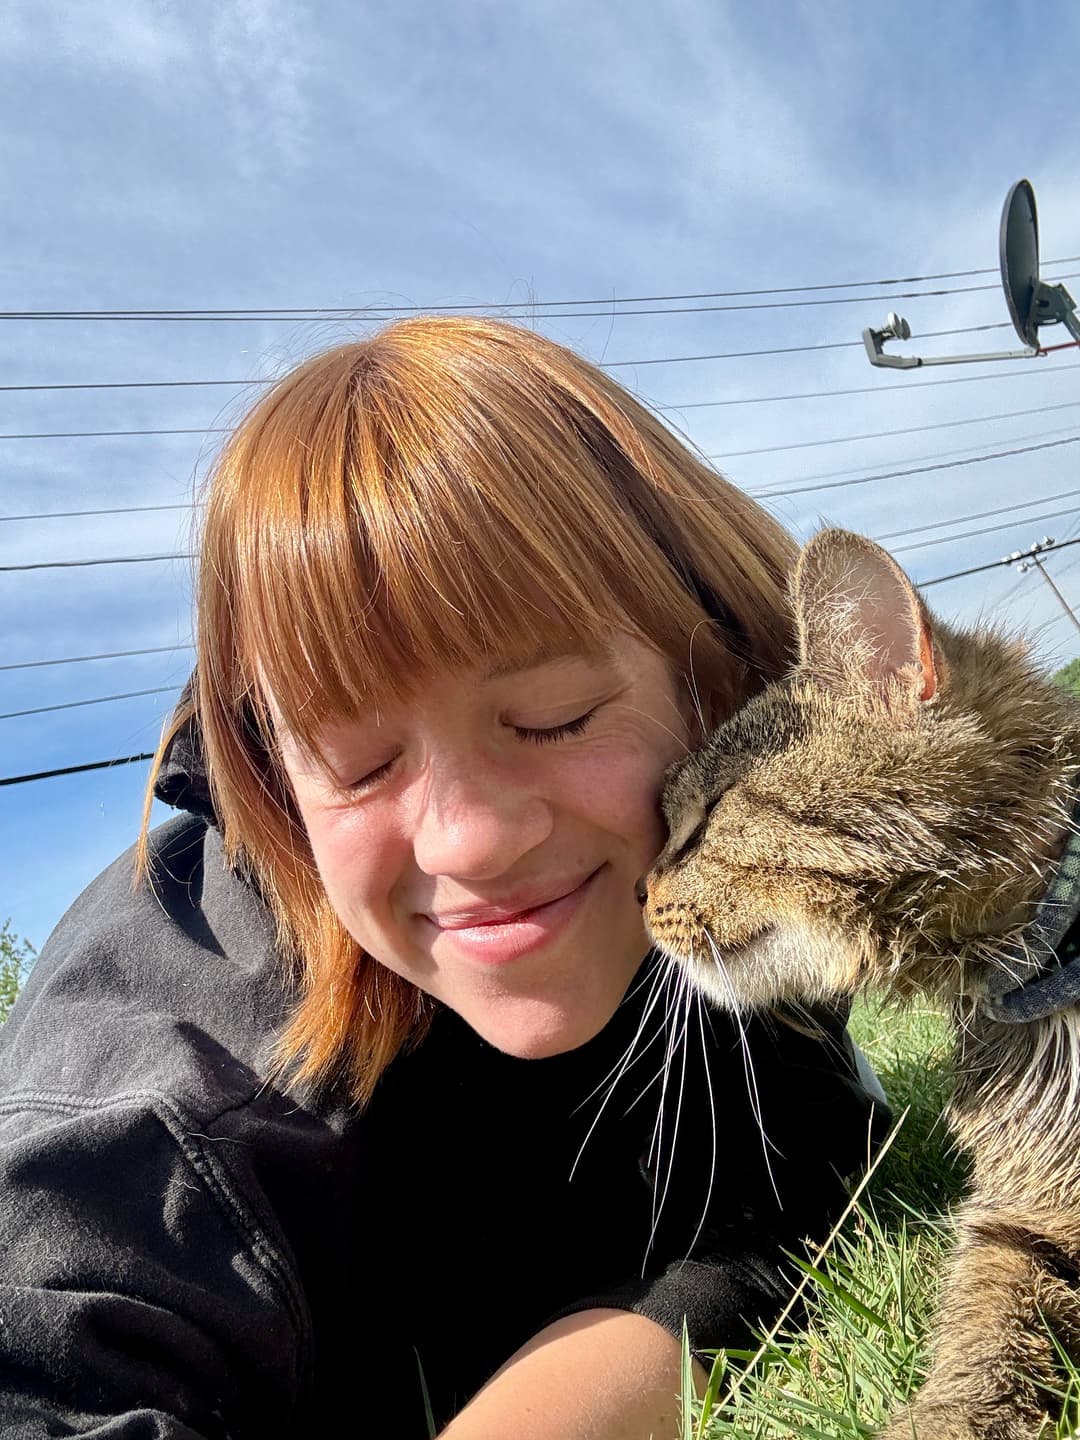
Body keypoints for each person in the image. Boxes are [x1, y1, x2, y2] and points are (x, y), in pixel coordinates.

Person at [0, 317, 886, 1439]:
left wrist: (646, 1338)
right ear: (276, 785)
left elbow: (803, 1166)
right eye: (360, 768)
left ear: (715, 671)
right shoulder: (171, 1077)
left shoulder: (732, 842)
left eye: (553, 717)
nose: (466, 841)